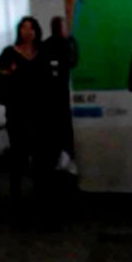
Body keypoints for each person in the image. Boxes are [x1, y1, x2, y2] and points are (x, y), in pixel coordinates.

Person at [0, 16, 49, 199]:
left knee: (40, 151)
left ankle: (40, 189)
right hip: (17, 109)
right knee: (18, 150)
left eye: (31, 28)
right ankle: (15, 191)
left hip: (39, 109)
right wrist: (9, 74)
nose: (27, 32)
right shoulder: (9, 53)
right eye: (24, 28)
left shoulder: (42, 52)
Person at [40, 15, 79, 178]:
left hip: (60, 91)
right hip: (52, 93)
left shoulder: (64, 43)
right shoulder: (50, 45)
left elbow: (72, 61)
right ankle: (59, 157)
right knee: (57, 126)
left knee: (63, 125)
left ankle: (65, 156)